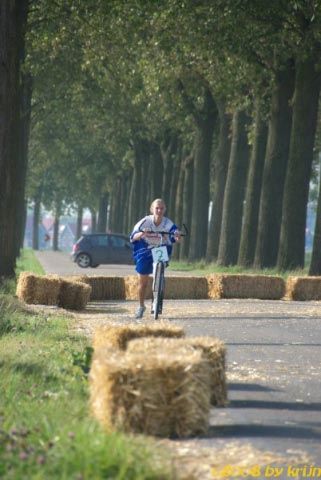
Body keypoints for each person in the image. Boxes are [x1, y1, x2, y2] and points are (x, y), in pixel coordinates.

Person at [130, 198, 181, 319]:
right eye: (157, 208)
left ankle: (156, 302)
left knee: (159, 277)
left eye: (161, 208)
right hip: (145, 250)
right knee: (143, 283)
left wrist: (177, 236)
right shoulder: (145, 221)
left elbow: (175, 234)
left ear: (165, 209)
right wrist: (142, 234)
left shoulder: (167, 223)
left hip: (160, 249)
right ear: (152, 209)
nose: (159, 210)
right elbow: (132, 237)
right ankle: (141, 306)